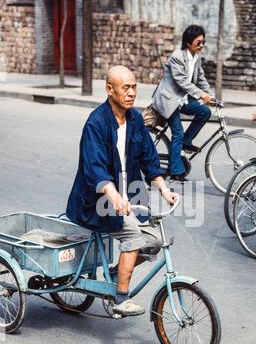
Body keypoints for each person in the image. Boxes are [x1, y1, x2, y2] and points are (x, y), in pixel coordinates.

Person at [66, 66, 178, 316]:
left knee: (155, 240)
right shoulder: (96, 123)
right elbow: (94, 168)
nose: (131, 93)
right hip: (98, 201)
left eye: (134, 87)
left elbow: (150, 159)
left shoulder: (136, 119)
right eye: (125, 87)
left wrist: (163, 189)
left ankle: (117, 272)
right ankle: (120, 298)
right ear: (110, 89)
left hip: (131, 198)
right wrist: (114, 196)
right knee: (133, 237)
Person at [153, 24, 214, 183]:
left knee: (205, 112)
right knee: (177, 132)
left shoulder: (196, 57)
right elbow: (182, 82)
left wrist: (209, 96)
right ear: (188, 43)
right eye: (198, 42)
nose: (201, 46)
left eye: (203, 42)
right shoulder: (177, 57)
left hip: (182, 99)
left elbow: (201, 78)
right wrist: (201, 94)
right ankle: (175, 171)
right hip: (169, 100)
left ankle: (186, 142)